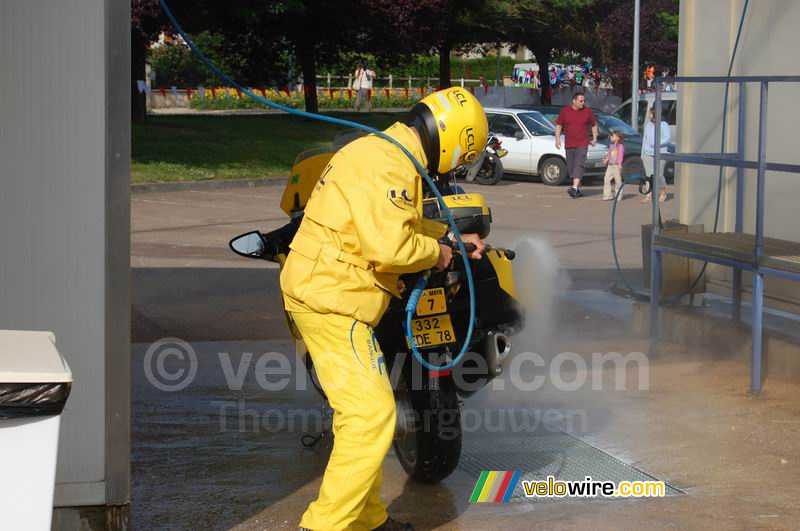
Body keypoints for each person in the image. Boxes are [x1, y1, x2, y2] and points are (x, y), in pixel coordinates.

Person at [281, 86, 487, 531]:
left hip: (332, 293)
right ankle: (323, 526)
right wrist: (437, 254)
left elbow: (397, 222)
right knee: (370, 416)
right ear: (454, 145)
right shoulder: (389, 162)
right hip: (331, 300)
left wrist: (449, 239)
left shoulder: (388, 152)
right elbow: (390, 246)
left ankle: (367, 520)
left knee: (363, 418)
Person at [555, 91, 598, 198]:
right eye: (580, 101)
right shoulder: (565, 111)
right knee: (571, 168)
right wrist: (557, 139)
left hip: (582, 144)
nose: (583, 103)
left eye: (584, 101)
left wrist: (594, 138)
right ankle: (578, 189)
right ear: (574, 101)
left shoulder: (587, 112)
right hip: (569, 144)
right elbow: (559, 125)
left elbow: (594, 125)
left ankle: (574, 188)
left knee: (579, 165)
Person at [641, 108, 671, 202]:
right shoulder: (648, 125)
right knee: (649, 175)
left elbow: (667, 138)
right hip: (647, 153)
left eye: (650, 113)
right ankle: (649, 194)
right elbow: (644, 140)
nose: (648, 115)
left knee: (659, 174)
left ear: (654, 114)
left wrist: (656, 143)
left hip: (660, 153)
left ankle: (662, 191)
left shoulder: (664, 124)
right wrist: (642, 154)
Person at [602, 130, 625, 201]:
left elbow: (620, 156)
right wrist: (606, 160)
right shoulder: (611, 145)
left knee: (618, 181)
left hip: (616, 166)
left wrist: (619, 164)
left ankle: (618, 195)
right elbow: (609, 155)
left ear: (617, 138)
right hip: (610, 165)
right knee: (606, 179)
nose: (611, 137)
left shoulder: (620, 146)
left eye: (613, 136)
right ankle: (607, 195)